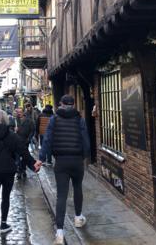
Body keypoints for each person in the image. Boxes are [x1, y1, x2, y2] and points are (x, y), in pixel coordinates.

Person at [0, 110, 42, 243]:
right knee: (5, 197)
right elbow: (23, 151)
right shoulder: (12, 136)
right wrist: (33, 164)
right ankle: (3, 224)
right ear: (7, 120)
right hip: (8, 171)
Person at [38, 95, 91, 245]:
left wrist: (41, 159)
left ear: (61, 104)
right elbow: (85, 138)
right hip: (76, 160)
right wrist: (85, 155)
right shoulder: (79, 119)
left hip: (60, 161)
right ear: (73, 105)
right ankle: (78, 218)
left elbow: (47, 139)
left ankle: (60, 233)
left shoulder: (54, 119)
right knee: (78, 188)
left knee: (61, 195)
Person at [15, 108, 35, 179]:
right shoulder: (15, 120)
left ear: (23, 112)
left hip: (25, 142)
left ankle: (23, 170)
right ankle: (19, 171)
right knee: (17, 157)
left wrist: (28, 139)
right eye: (18, 112)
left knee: (24, 157)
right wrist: (14, 130)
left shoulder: (29, 120)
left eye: (20, 112)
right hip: (16, 142)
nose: (19, 113)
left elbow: (32, 130)